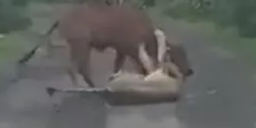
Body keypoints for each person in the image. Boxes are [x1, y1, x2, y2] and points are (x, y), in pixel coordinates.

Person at [46, 29, 187, 106]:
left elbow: (162, 65)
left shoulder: (164, 70)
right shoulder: (159, 72)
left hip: (155, 82)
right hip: (152, 82)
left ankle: (108, 86)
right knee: (124, 81)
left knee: (121, 82)